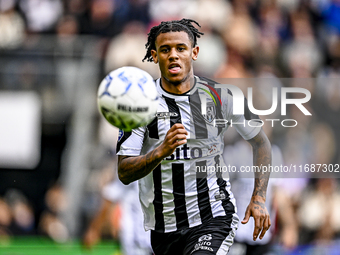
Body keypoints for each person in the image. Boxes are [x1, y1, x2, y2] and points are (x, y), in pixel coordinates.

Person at [117, 18, 271, 255]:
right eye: (165, 49)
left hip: (214, 217)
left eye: (181, 48)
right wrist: (160, 151)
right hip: (164, 228)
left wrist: (259, 198)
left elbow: (261, 143)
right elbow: (124, 171)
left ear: (194, 52)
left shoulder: (222, 96)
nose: (174, 55)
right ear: (154, 55)